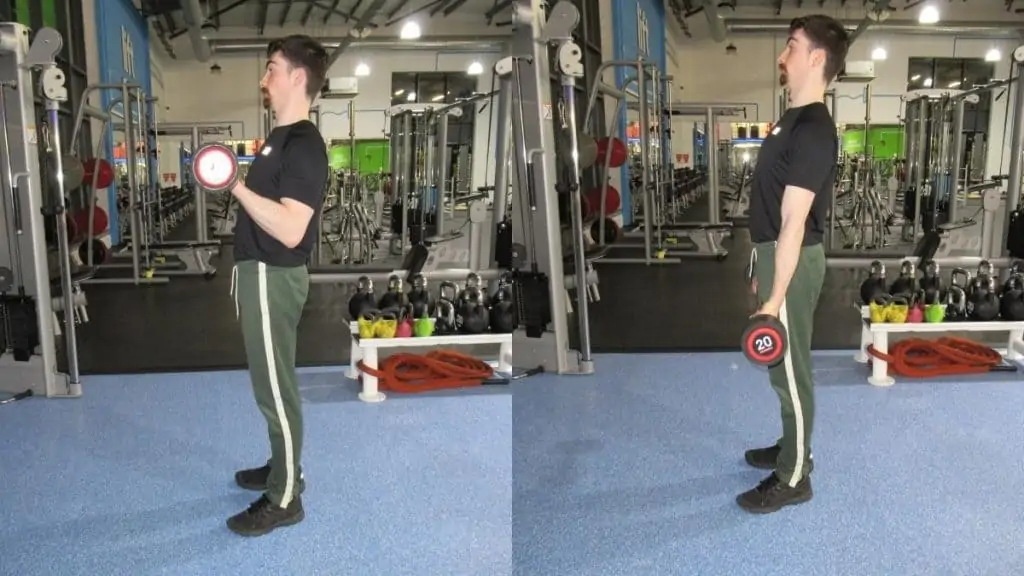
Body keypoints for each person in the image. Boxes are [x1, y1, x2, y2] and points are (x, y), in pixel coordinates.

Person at [737, 15, 849, 514]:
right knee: (780, 372)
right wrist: (757, 265)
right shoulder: (789, 120)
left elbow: (794, 222)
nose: (783, 56)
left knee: (790, 370)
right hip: (774, 255)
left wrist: (774, 298)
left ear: (817, 58)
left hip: (793, 260)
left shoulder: (814, 130)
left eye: (792, 47)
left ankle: (795, 475)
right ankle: (791, 446)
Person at [225, 35, 330, 537]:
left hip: (272, 274)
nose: (264, 79)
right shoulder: (277, 140)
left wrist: (238, 188)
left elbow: (291, 228)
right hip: (257, 272)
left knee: (275, 390)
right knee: (271, 382)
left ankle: (285, 497)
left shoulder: (304, 144)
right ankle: (280, 466)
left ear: (297, 77)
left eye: (271, 69)